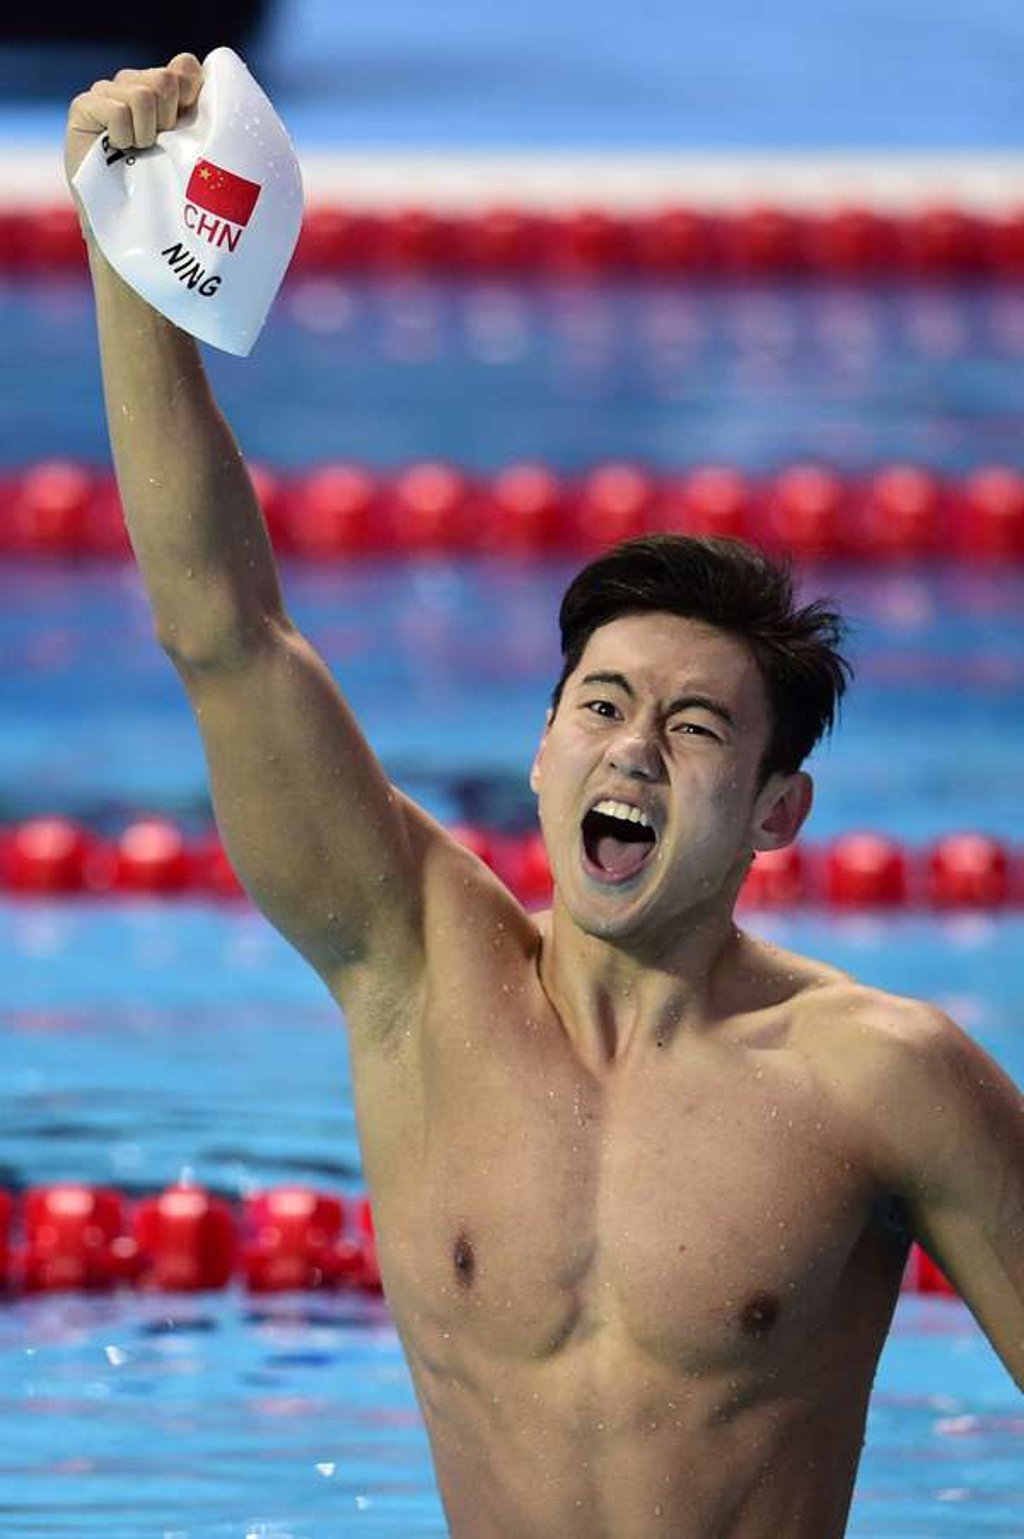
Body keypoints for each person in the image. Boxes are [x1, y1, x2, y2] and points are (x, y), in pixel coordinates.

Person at [66, 55, 1023, 1539]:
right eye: (602, 707)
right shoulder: (416, 976)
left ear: (777, 813)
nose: (632, 751)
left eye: (693, 728)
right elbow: (225, 637)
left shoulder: (882, 1083)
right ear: (540, 751)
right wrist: (127, 248)